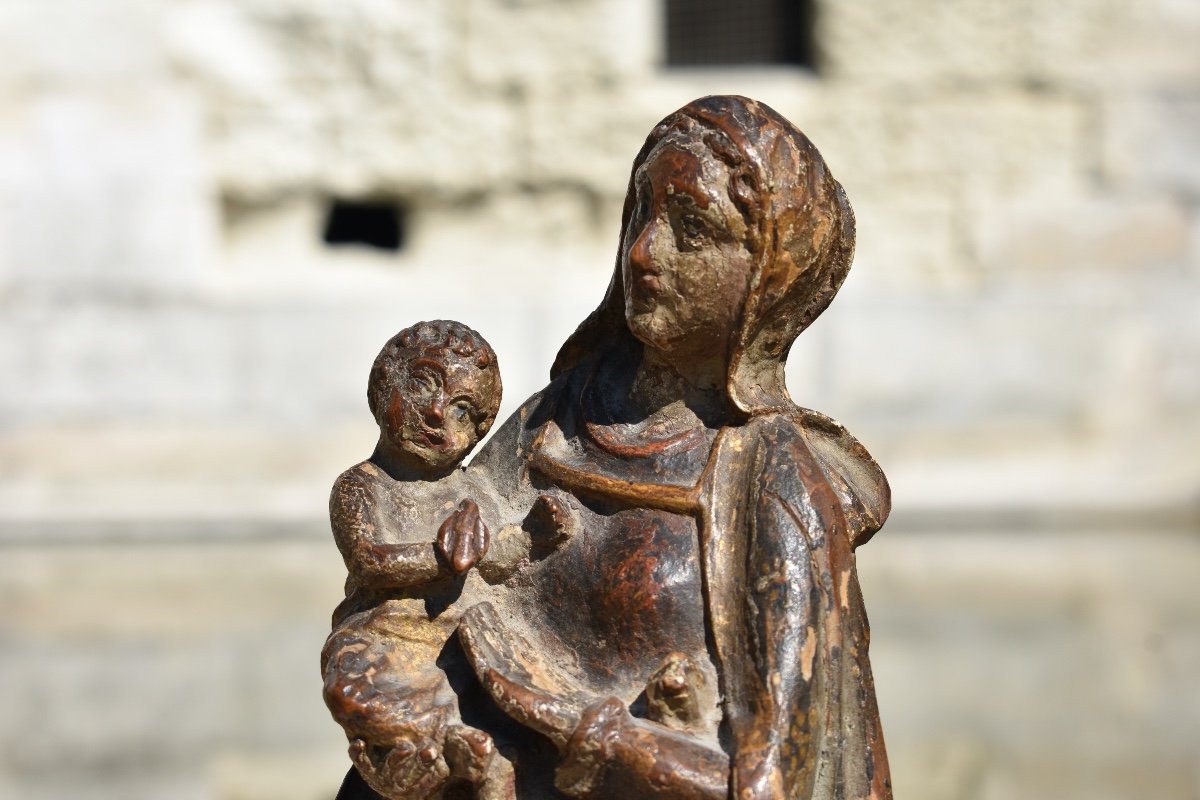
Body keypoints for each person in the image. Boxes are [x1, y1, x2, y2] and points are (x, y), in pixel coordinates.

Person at [459, 95, 894, 799]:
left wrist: (580, 724)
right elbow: (430, 572)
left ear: (766, 278)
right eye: (642, 211)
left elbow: (770, 779)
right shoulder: (560, 418)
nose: (643, 250)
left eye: (691, 228)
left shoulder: (770, 488)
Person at [321, 319, 516, 800]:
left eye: (462, 411)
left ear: (476, 433)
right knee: (352, 689)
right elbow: (370, 561)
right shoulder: (360, 485)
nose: (435, 414)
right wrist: (441, 560)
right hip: (380, 632)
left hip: (462, 633)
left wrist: (531, 539)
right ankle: (421, 755)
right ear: (385, 382)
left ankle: (464, 753)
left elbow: (496, 558)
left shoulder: (473, 491)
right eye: (424, 384)